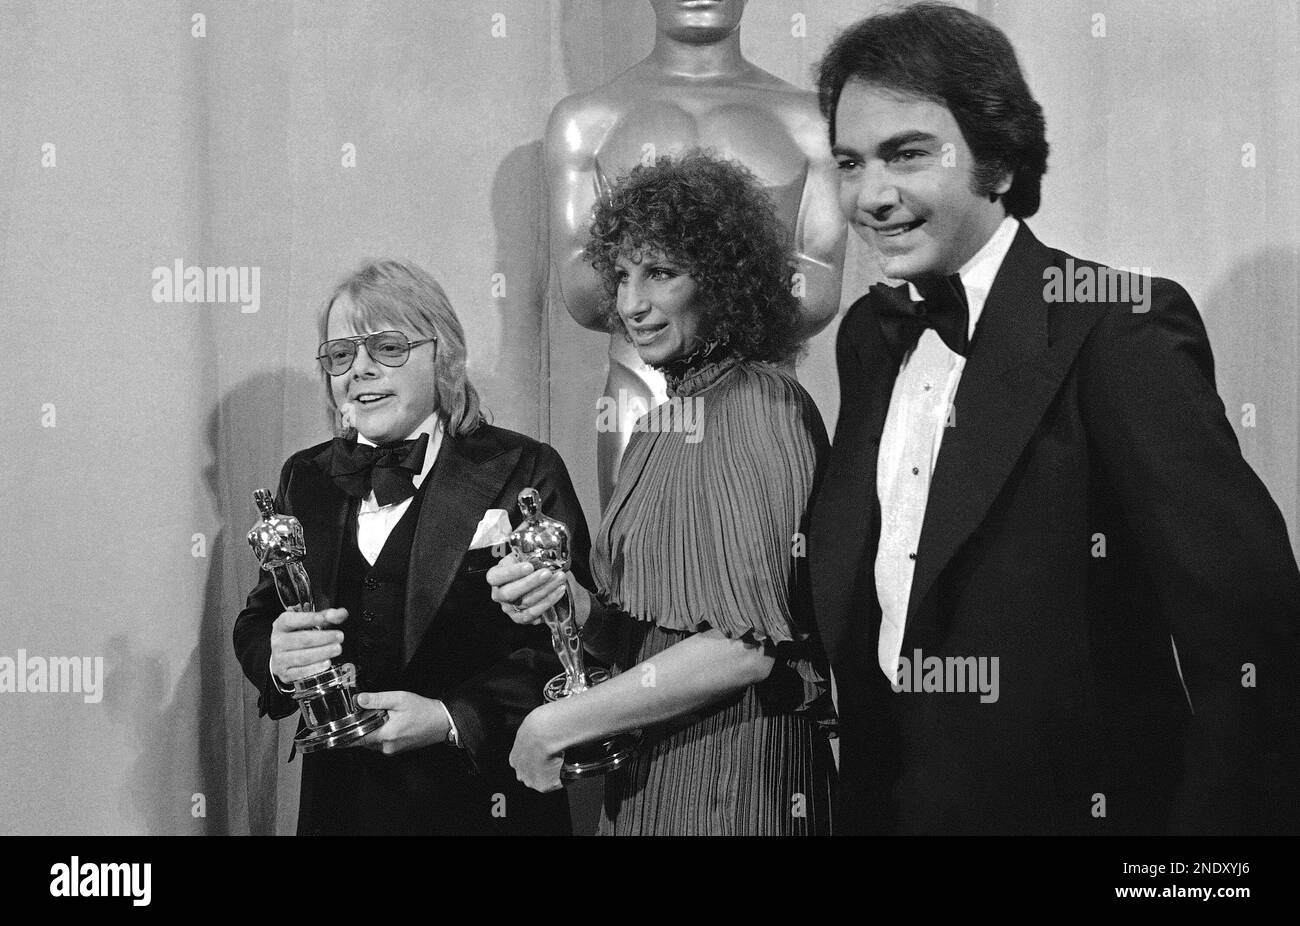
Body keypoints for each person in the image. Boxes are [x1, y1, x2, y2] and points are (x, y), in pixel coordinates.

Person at [808, 1, 1300, 835]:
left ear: (997, 163)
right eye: (850, 163)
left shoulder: (1120, 324)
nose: (871, 195)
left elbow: (1254, 646)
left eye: (907, 154)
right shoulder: (869, 335)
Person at [490, 152, 836, 835]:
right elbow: (644, 637)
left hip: (736, 786)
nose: (630, 304)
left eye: (661, 274)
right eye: (621, 275)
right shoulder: (659, 427)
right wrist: (572, 603)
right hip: (656, 779)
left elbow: (744, 647)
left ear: (725, 282)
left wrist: (558, 721)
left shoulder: (759, 405)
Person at [233, 259, 587, 835]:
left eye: (388, 347)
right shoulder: (306, 476)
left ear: (441, 355)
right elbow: (259, 618)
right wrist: (276, 658)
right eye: (341, 354)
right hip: (340, 807)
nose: (361, 370)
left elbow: (579, 644)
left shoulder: (524, 466)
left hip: (486, 802)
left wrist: (453, 718)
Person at [546, 0, 845, 507]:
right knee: (636, 570)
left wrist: (678, 289)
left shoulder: (811, 120)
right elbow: (582, 291)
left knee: (764, 570)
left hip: (762, 396)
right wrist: (723, 283)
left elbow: (817, 290)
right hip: (640, 390)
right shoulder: (586, 119)